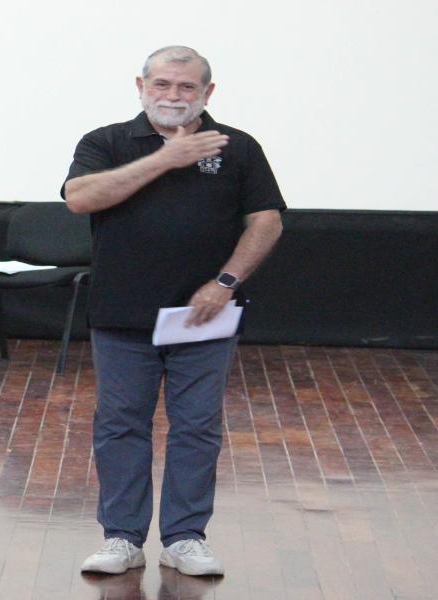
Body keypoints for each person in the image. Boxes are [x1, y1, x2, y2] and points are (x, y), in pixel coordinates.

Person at [62, 46, 285, 576]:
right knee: (119, 425)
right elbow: (80, 198)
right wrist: (164, 158)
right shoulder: (106, 141)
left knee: (197, 427)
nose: (173, 96)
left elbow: (267, 221)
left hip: (204, 316)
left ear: (208, 93)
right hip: (122, 314)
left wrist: (226, 282)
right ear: (140, 85)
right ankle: (121, 537)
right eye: (162, 85)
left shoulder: (238, 148)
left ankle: (185, 537)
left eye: (187, 87)